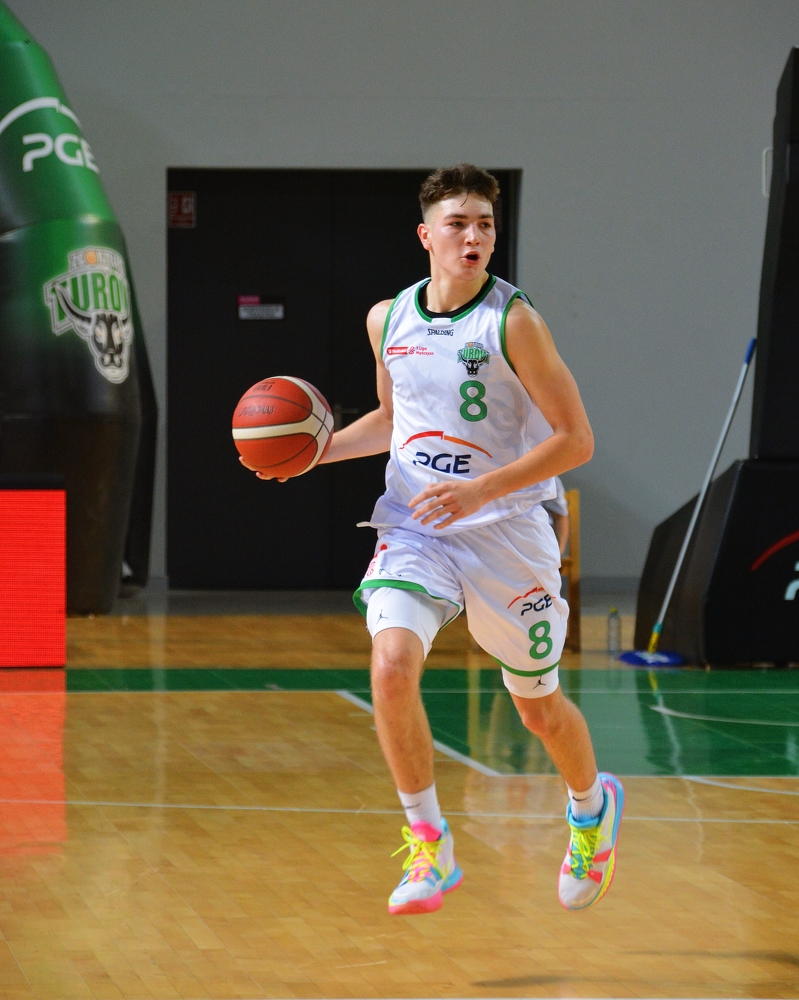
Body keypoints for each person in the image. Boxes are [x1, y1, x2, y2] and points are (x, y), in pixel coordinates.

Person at [241, 163, 623, 916]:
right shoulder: (389, 320)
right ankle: (429, 843)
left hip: (508, 529)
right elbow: (392, 422)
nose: (474, 237)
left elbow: (576, 441)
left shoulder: (514, 322)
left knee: (537, 709)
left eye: (485, 224)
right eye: (458, 224)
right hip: (418, 521)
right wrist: (314, 452)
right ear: (426, 235)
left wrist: (483, 489)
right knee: (390, 666)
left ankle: (591, 810)